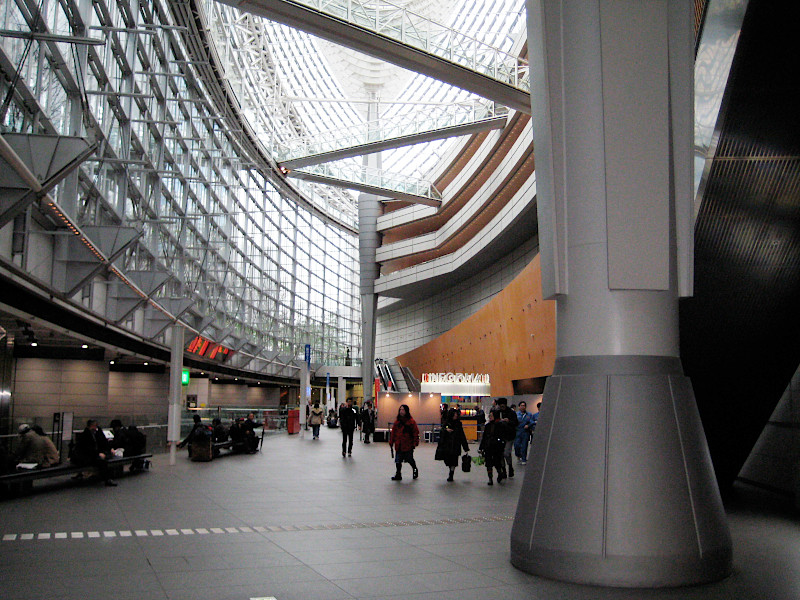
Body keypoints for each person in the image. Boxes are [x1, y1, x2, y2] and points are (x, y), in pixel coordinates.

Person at [71, 419, 117, 486]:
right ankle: (107, 480)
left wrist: (110, 449)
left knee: (102, 459)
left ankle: (106, 478)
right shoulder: (85, 435)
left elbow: (103, 442)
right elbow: (87, 449)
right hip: (84, 457)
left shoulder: (94, 433)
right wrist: (98, 454)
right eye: (94, 426)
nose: (96, 428)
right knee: (102, 462)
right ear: (90, 426)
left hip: (90, 455)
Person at [435, 408, 470, 482]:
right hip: (447, 446)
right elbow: (442, 431)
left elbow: (462, 435)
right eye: (454, 415)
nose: (456, 416)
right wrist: (446, 430)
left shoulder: (458, 424)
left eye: (456, 415)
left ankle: (451, 474)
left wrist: (465, 447)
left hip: (455, 445)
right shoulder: (446, 423)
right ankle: (451, 469)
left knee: (454, 460)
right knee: (447, 460)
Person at [478, 409, 507, 485]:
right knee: (488, 463)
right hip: (488, 447)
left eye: (491, 415)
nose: (490, 417)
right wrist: (481, 448)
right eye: (489, 416)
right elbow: (484, 437)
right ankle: (490, 478)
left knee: (497, 462)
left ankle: (500, 473)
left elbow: (503, 437)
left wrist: (501, 445)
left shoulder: (501, 425)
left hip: (497, 448)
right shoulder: (487, 426)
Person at [495, 398, 518, 478]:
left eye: (503, 405)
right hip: (500, 436)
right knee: (500, 454)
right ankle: (503, 470)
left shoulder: (511, 413)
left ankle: (510, 466)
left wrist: (508, 421)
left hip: (509, 436)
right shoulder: (497, 413)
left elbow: (516, 423)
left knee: (506, 453)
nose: (502, 406)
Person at [514, 401, 537, 465]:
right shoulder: (516, 414)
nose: (523, 407)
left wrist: (528, 425)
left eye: (524, 405)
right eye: (521, 405)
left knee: (524, 446)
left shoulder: (529, 414)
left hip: (525, 432)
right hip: (518, 431)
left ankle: (524, 459)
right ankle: (518, 455)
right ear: (519, 407)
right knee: (516, 445)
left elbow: (532, 421)